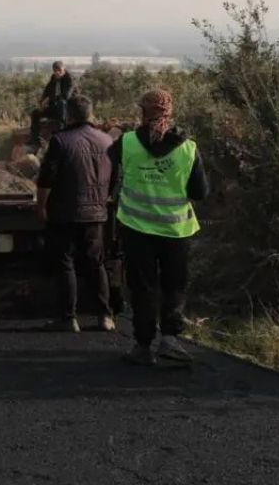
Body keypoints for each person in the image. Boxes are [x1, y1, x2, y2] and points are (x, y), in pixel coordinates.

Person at [110, 89, 209, 366]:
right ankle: (170, 340)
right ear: (169, 112)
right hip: (176, 232)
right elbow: (200, 192)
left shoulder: (127, 142)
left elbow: (110, 174)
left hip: (136, 229)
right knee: (174, 285)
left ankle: (142, 345)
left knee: (143, 287)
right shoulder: (188, 147)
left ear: (143, 112)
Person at [35, 95, 116, 334]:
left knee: (66, 263)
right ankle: (105, 316)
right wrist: (103, 199)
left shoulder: (60, 141)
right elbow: (116, 176)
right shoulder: (107, 141)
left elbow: (46, 179)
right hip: (96, 213)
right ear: (90, 114)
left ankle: (69, 318)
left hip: (65, 213)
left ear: (68, 115)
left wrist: (41, 206)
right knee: (95, 264)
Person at [29, 61, 75, 151]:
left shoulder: (69, 79)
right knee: (35, 113)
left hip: (67, 108)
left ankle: (61, 136)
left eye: (60, 70)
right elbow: (46, 91)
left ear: (64, 69)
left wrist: (50, 98)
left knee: (62, 103)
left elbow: (66, 96)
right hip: (54, 107)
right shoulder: (53, 78)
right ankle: (34, 140)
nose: (57, 72)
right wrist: (42, 102)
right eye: (55, 70)